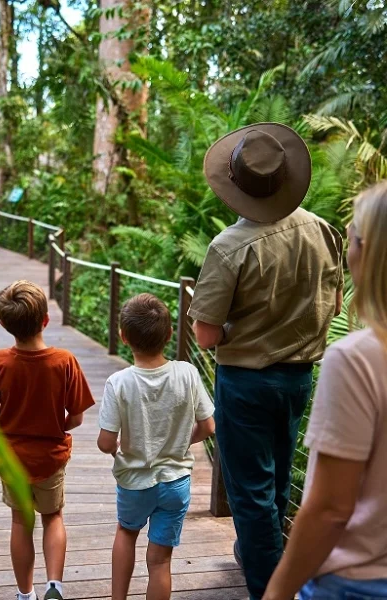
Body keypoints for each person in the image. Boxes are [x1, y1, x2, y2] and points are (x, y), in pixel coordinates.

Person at [187, 123, 344, 600]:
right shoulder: (321, 230)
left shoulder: (228, 247)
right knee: (274, 486)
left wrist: (246, 328)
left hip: (247, 385)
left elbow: (206, 335)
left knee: (251, 496)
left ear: (236, 185)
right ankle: (269, 566)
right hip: (299, 379)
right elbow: (334, 307)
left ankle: (269, 591)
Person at [262, 181, 387, 600]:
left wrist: (278, 591)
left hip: (357, 579)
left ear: (369, 252)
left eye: (352, 236)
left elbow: (331, 507)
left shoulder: (358, 358)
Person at [0, 280, 95, 600]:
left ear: (3, 325)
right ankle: (54, 585)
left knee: (20, 521)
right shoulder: (64, 361)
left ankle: (24, 593)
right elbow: (76, 416)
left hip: (11, 456)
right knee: (53, 516)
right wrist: (55, 424)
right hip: (50, 457)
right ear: (46, 319)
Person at [97, 293, 216, 600]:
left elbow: (106, 441)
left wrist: (116, 449)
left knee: (126, 532)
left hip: (135, 482)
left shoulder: (118, 382)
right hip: (176, 483)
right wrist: (179, 442)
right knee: (161, 561)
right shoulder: (187, 373)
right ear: (170, 334)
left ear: (123, 337)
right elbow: (208, 426)